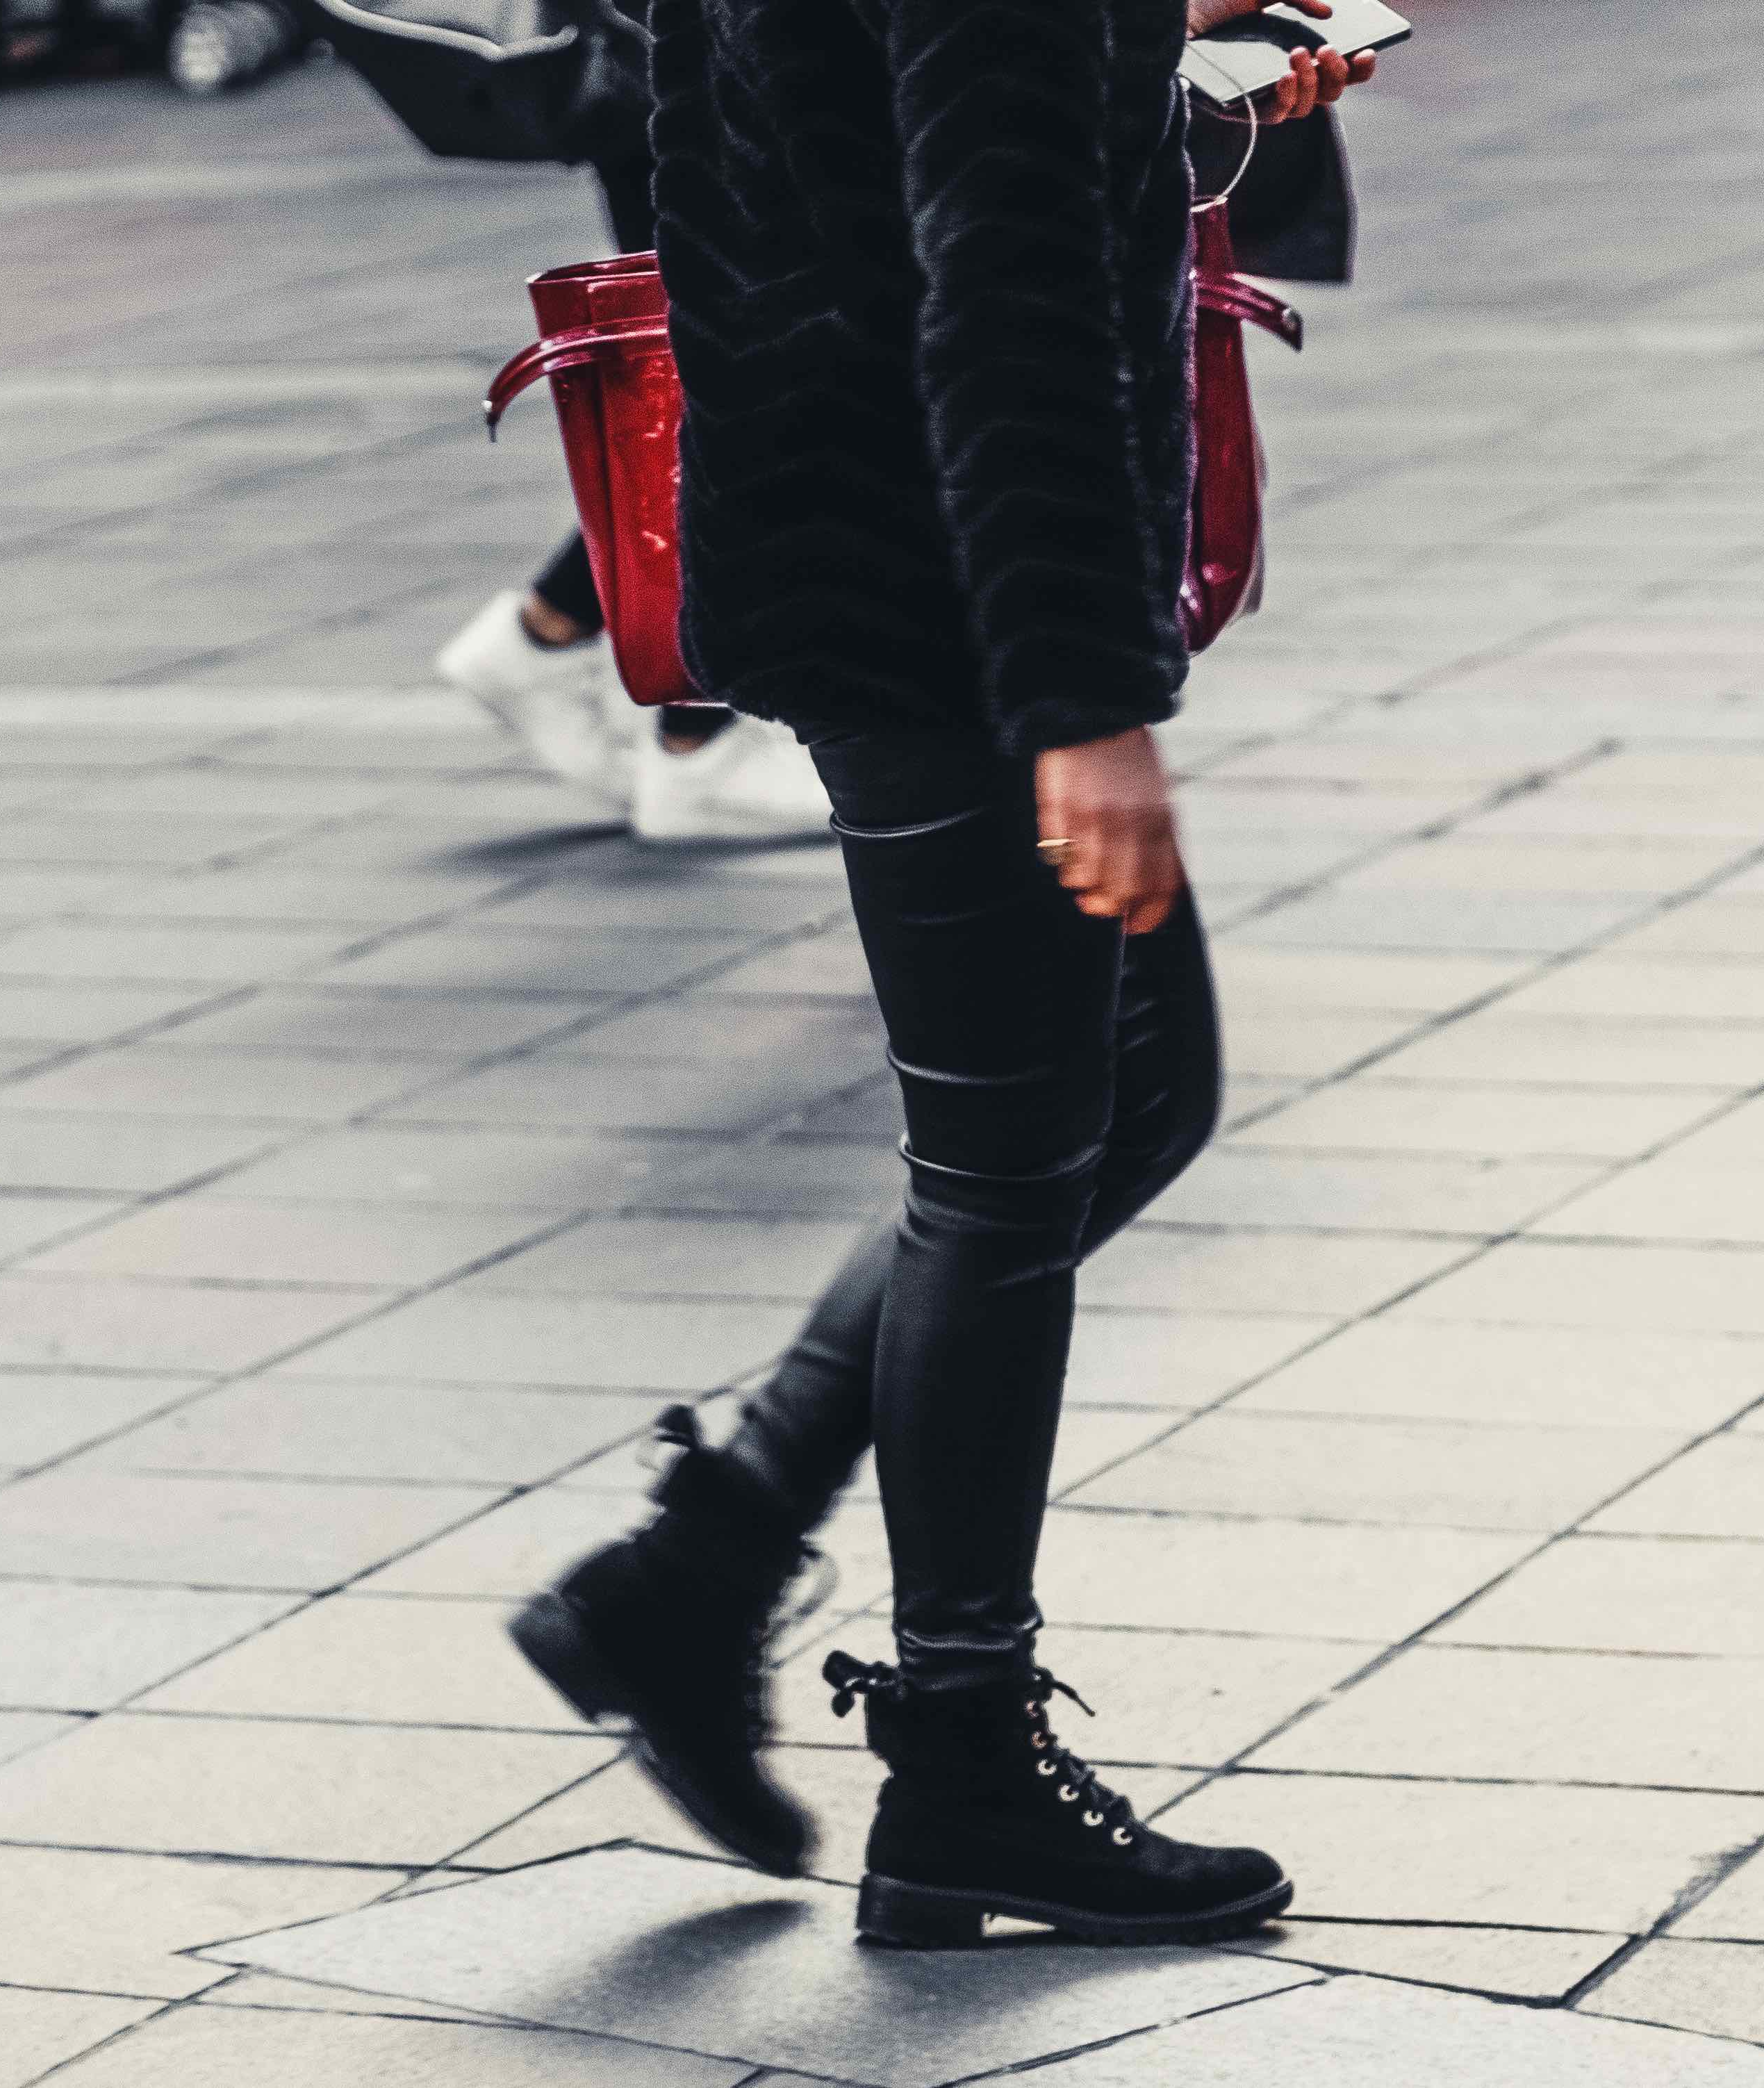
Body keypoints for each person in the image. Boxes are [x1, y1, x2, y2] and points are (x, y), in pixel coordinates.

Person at [506, 0, 1368, 1947]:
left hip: (850, 535)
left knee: (1133, 1097)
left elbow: (855, 131)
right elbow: (1008, 293)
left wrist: (1166, 54)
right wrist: (1085, 706)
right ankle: (960, 1752)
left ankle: (705, 1570)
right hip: (941, 590)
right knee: (1007, 1173)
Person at [428, 0, 834, 844]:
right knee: (750, 376)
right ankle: (695, 739)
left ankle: (559, 636)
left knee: (712, 368)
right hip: (717, 54)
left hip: (663, 49)